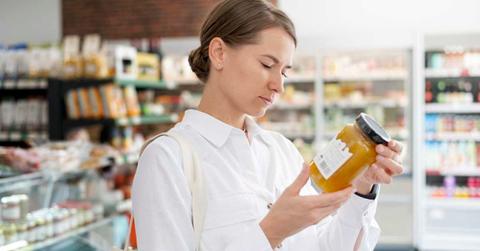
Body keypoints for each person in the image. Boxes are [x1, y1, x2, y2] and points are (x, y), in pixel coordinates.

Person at [131, 0, 404, 250]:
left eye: (284, 71)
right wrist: (270, 233)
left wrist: (362, 190)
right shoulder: (168, 159)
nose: (279, 85)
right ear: (219, 53)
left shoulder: (280, 151)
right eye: (267, 64)